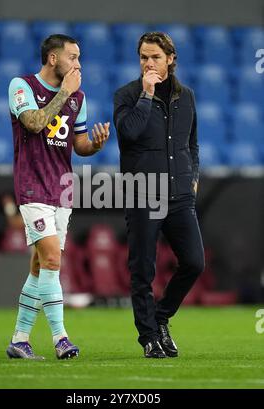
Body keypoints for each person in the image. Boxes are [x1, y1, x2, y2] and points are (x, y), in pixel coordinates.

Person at [7, 34, 109, 360]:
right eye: (73, 57)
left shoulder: (79, 98)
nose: (78, 64)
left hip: (62, 189)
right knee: (53, 259)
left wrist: (95, 145)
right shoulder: (21, 86)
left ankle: (20, 339)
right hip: (32, 186)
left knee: (40, 268)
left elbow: (77, 144)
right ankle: (61, 338)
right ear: (53, 59)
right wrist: (63, 92)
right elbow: (34, 123)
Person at [114, 32, 205, 358]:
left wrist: (192, 176)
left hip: (180, 195)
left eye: (154, 57)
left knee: (194, 262)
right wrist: (147, 95)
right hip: (143, 194)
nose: (148, 63)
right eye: (143, 57)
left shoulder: (187, 97)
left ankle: (162, 317)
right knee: (143, 270)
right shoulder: (127, 95)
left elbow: (191, 144)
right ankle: (149, 337)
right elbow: (128, 133)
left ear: (170, 59)